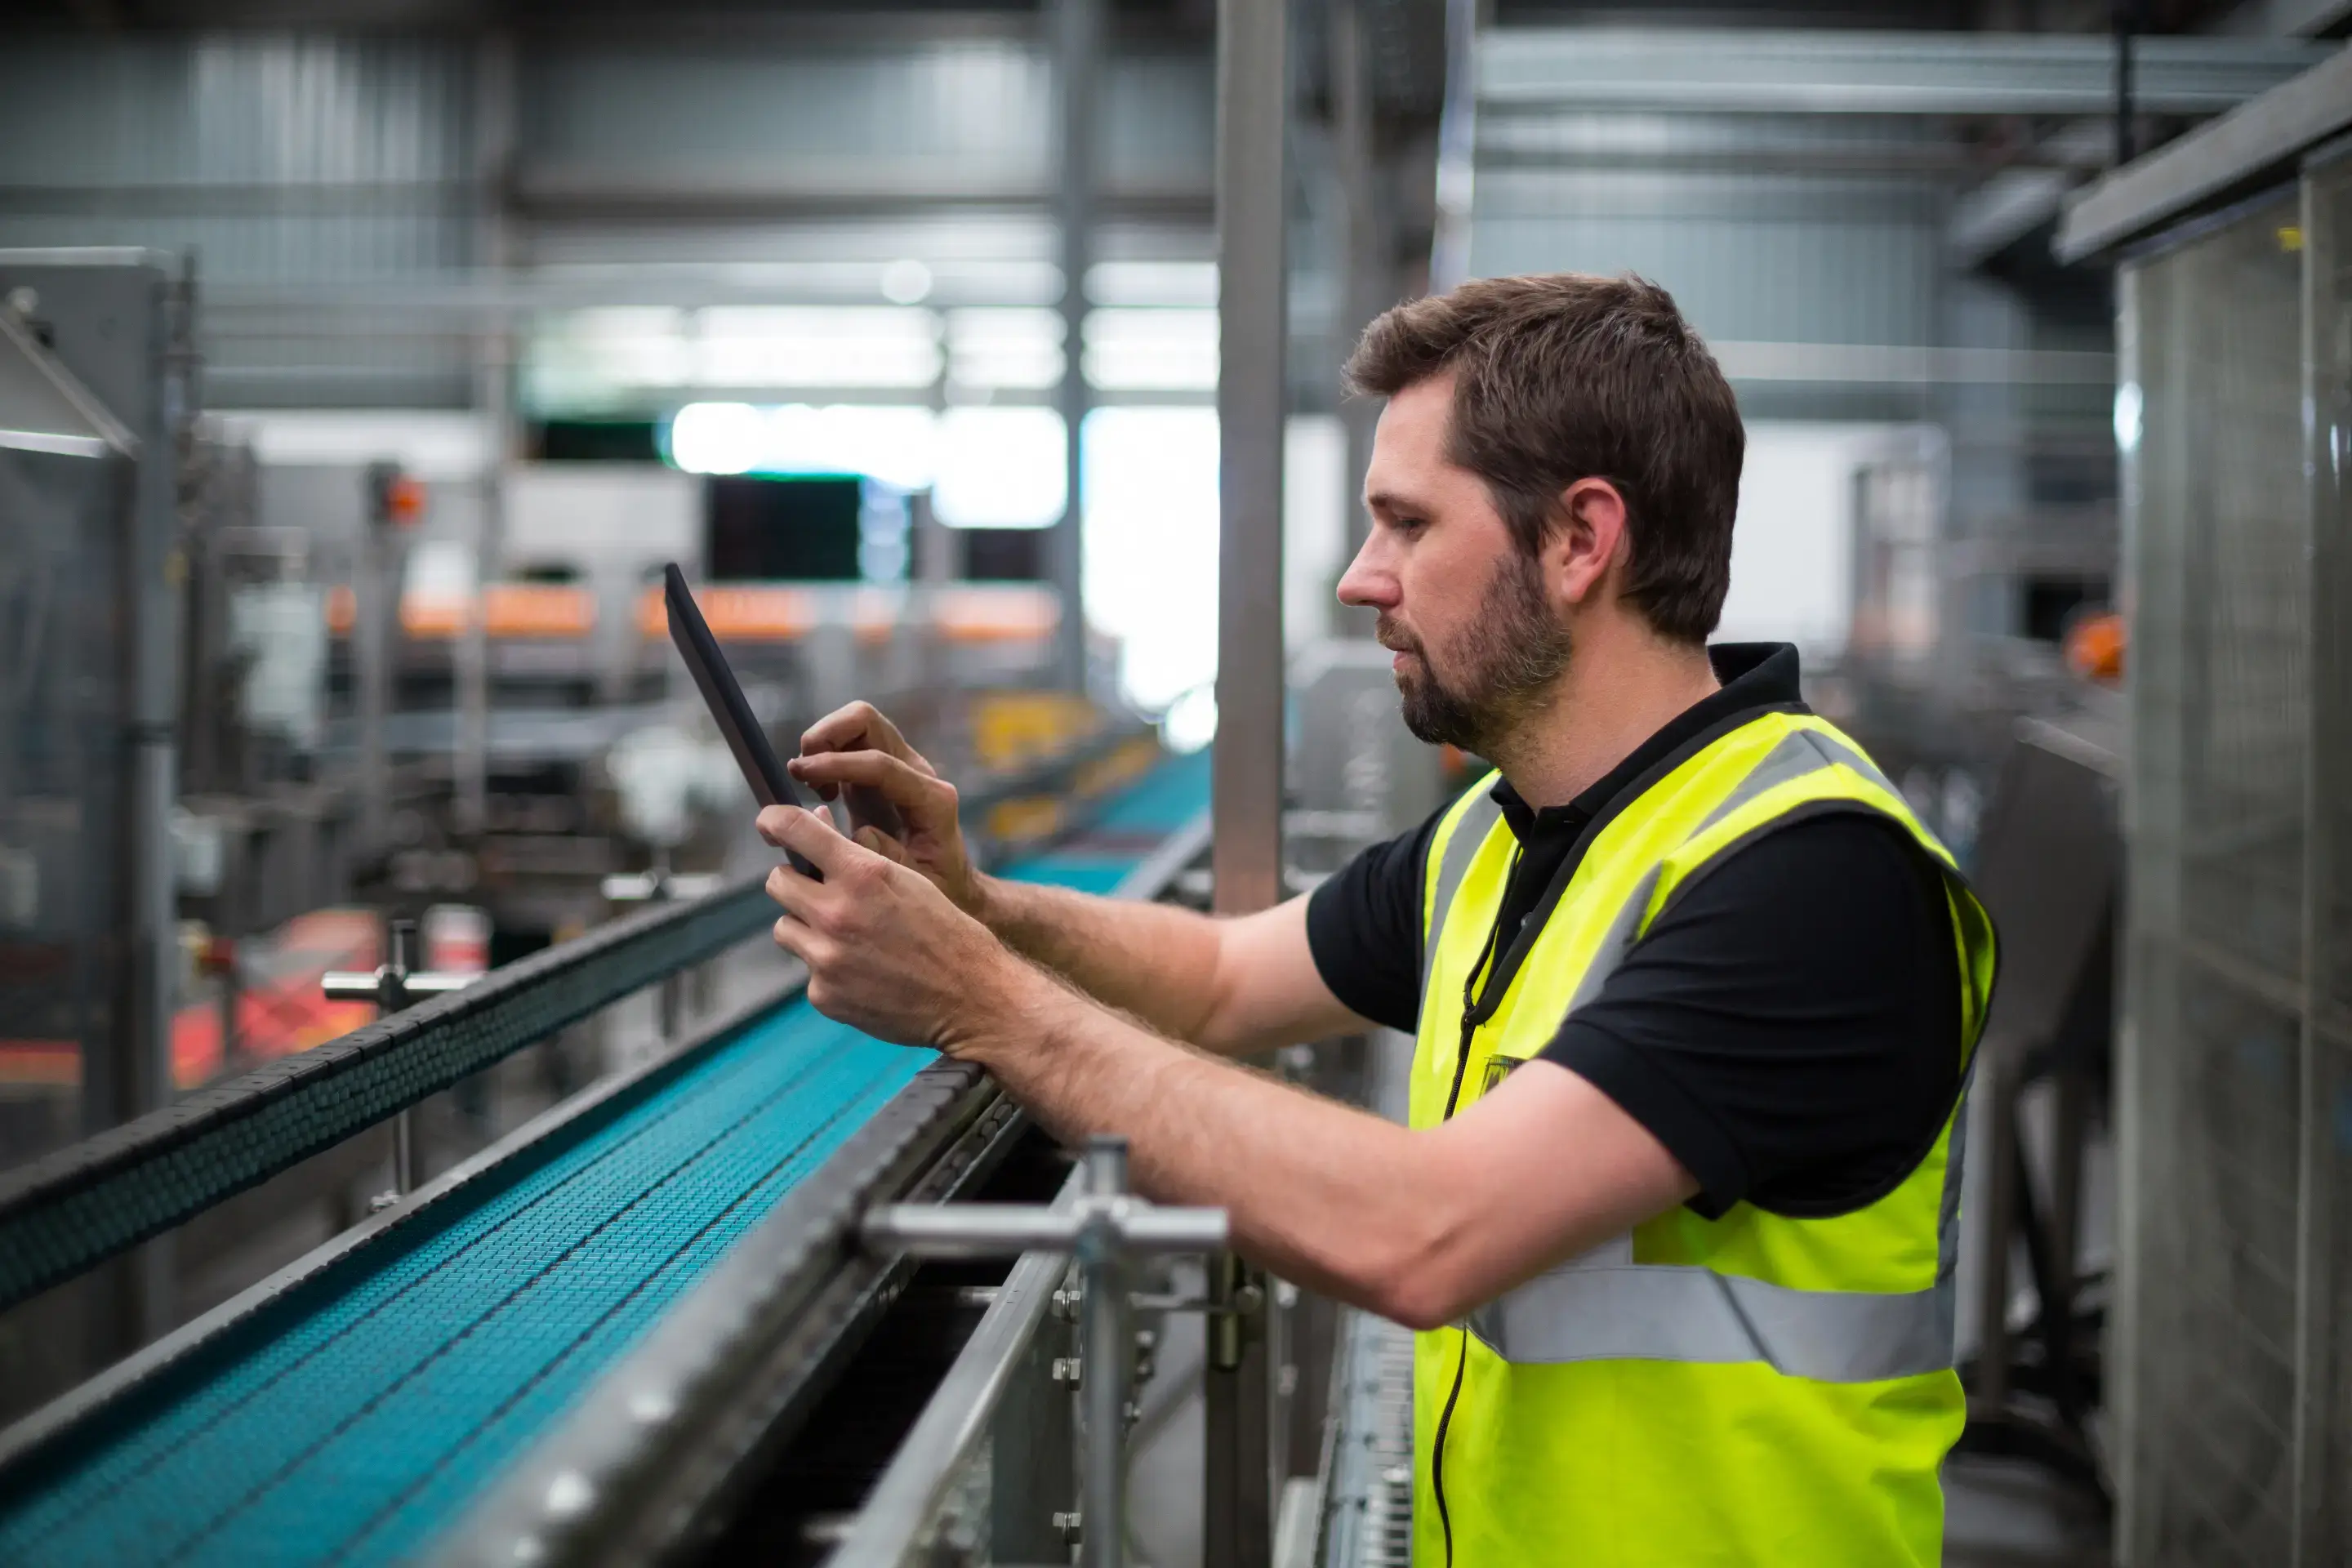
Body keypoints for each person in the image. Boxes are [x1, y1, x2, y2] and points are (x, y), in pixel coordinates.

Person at [753, 272, 1997, 1567]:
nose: (1360, 580)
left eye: (1407, 524)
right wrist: (978, 905)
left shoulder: (1813, 882)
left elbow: (1423, 1233)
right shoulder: (1505, 831)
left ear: (1581, 540)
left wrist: (979, 997)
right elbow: (1229, 977)